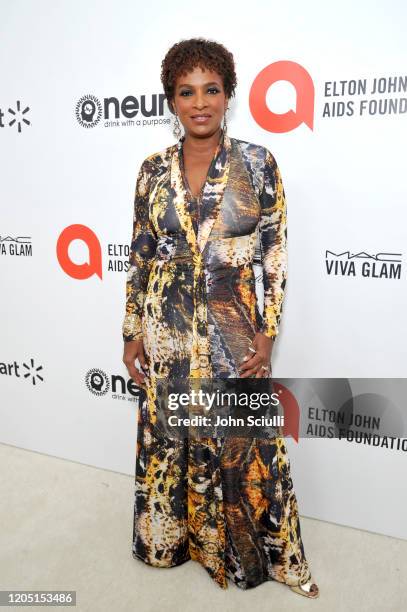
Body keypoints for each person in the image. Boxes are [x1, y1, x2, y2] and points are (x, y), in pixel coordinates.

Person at [122, 37, 319, 598]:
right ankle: (174, 542)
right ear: (171, 100)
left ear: (229, 95)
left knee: (240, 441)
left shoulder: (257, 163)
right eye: (187, 92)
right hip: (167, 329)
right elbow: (139, 255)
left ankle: (249, 552)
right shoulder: (150, 170)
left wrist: (267, 329)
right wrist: (132, 329)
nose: (200, 102)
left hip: (235, 330)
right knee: (171, 436)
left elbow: (274, 253)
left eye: (211, 89)